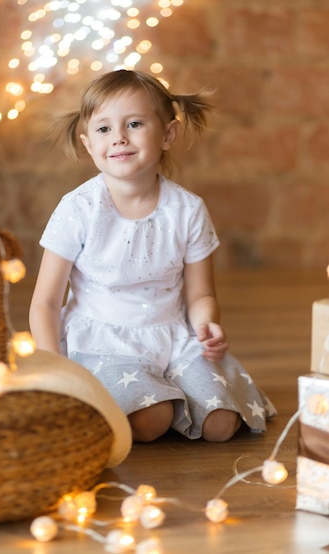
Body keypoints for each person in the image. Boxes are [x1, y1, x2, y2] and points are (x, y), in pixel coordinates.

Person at [29, 69, 276, 443]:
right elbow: (46, 301)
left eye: (134, 123)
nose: (119, 138)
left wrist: (208, 324)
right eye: (104, 130)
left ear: (168, 134)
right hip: (105, 342)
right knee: (151, 420)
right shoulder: (78, 210)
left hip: (174, 336)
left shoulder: (187, 209)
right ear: (88, 143)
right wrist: (56, 370)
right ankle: (156, 401)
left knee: (221, 425)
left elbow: (200, 295)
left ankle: (175, 395)